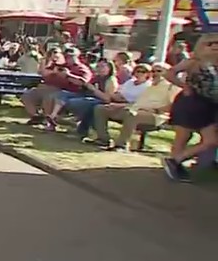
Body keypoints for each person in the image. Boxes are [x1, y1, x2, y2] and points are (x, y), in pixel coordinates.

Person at [162, 33, 218, 182]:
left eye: (217, 44)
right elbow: (169, 73)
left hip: (207, 105)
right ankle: (175, 167)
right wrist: (184, 86)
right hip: (190, 102)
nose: (214, 47)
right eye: (210, 43)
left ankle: (175, 162)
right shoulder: (194, 61)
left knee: (210, 140)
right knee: (183, 138)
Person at [88, 62, 176, 150]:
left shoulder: (171, 87)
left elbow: (175, 105)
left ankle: (121, 145)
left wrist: (156, 110)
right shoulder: (150, 86)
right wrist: (118, 105)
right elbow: (137, 103)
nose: (155, 73)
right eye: (153, 71)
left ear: (167, 73)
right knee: (101, 108)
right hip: (135, 109)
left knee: (131, 114)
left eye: (159, 71)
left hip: (156, 115)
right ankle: (103, 139)